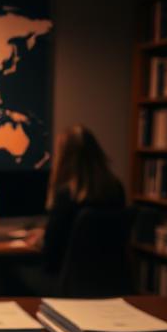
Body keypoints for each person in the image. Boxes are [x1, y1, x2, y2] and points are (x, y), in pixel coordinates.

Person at [18, 125, 125, 293]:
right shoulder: (116, 189)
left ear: (66, 158)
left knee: (13, 273)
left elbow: (51, 256)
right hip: (109, 284)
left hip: (67, 283)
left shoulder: (66, 195)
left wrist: (40, 241)